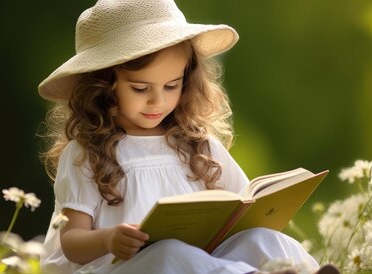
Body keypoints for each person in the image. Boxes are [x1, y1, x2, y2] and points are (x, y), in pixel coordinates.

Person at [38, 0, 338, 273]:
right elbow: (72, 242)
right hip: (120, 267)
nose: (158, 101)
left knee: (264, 239)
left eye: (172, 86)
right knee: (168, 252)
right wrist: (110, 239)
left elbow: (243, 205)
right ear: (102, 86)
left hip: (201, 261)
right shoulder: (86, 153)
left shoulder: (199, 144)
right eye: (141, 89)